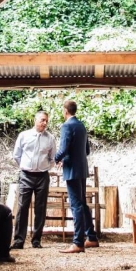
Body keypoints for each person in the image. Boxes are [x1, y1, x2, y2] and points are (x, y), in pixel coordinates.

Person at [55, 100, 98, 253]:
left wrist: (56, 159)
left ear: (65, 111)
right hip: (82, 168)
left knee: (76, 205)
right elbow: (87, 151)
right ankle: (91, 237)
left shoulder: (67, 126)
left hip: (72, 169)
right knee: (82, 203)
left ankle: (78, 242)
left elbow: (63, 148)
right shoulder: (81, 125)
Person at [11, 110, 56, 250]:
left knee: (40, 208)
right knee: (22, 207)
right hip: (26, 175)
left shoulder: (50, 138)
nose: (44, 123)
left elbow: (53, 158)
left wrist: (45, 166)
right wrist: (25, 167)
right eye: (42, 120)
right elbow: (16, 155)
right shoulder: (24, 135)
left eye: (46, 121)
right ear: (35, 120)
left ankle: (36, 240)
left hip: (42, 176)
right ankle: (19, 240)